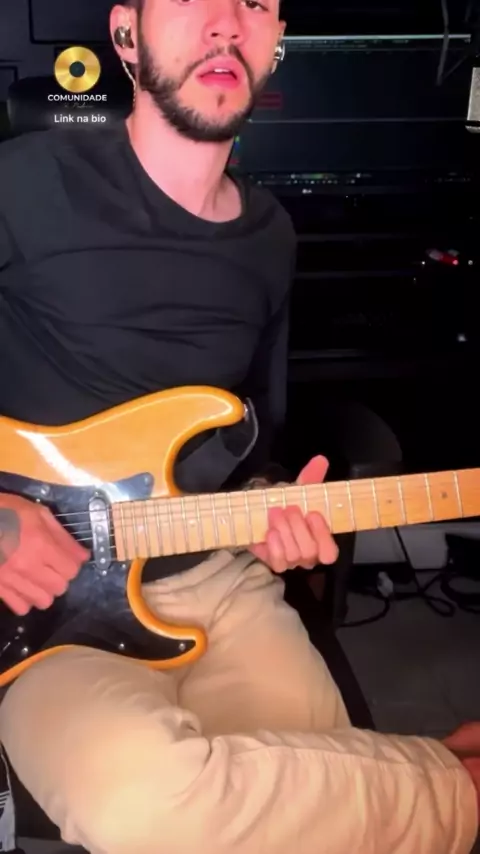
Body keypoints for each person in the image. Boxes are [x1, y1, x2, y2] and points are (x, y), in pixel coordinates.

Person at [0, 0, 478, 852]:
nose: (226, 21)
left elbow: (249, 438)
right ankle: (457, 784)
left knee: (317, 823)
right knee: (141, 805)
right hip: (44, 621)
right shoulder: (26, 183)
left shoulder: (269, 236)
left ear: (276, 42)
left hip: (219, 581)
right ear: (126, 33)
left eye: (255, 2)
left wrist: (272, 512)